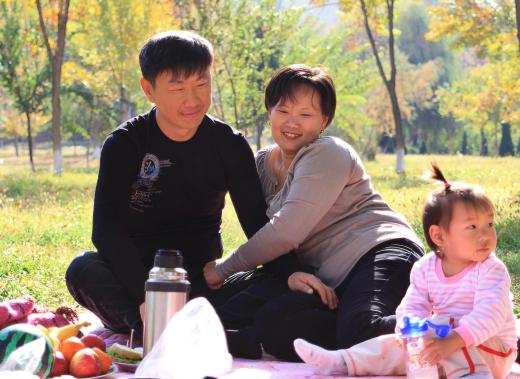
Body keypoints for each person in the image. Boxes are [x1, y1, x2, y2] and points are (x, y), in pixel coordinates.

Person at [65, 31, 299, 338]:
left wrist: (292, 272)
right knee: (83, 270)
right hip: (138, 278)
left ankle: (165, 330)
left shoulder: (229, 144)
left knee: (276, 282)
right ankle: (167, 324)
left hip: (203, 279)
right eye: (178, 87)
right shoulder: (125, 144)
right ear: (148, 89)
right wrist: (146, 296)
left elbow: (256, 222)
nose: (193, 100)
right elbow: (106, 231)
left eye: (202, 83)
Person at [204, 64, 424, 361]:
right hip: (324, 279)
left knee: (360, 330)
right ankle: (262, 340)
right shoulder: (261, 164)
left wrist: (223, 269)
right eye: (283, 111)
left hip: (377, 253)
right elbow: (259, 229)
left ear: (324, 121)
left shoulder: (327, 153)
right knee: (266, 322)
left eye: (305, 115)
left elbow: (285, 232)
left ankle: (459, 328)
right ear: (269, 111)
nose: (292, 123)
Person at [294, 164, 517, 378]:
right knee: (394, 344)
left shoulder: (491, 270)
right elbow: (413, 304)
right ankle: (342, 362)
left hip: (492, 350)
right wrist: (409, 333)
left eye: (490, 224)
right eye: (472, 227)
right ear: (439, 236)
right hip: (446, 341)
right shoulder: (426, 267)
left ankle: (474, 375)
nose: (486, 235)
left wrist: (451, 341)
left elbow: (489, 316)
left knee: (446, 333)